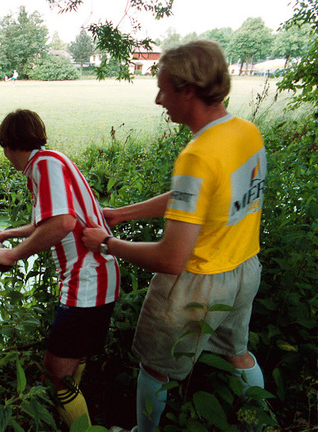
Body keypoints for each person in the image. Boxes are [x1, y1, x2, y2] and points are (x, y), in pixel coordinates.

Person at [82, 40, 267, 432]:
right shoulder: (246, 132)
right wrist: (123, 214)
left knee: (155, 367)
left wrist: (104, 243)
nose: (157, 99)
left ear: (188, 90)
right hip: (244, 271)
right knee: (238, 354)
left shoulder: (197, 156)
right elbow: (200, 197)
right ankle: (263, 424)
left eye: (163, 88)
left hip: (195, 287)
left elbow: (170, 260)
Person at [0, 109, 121, 428]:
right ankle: (80, 417)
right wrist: (8, 234)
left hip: (85, 281)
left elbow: (63, 223)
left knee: (55, 371)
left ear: (9, 144)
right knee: (73, 361)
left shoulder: (42, 166)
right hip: (100, 277)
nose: (6, 156)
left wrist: (12, 255)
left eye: (4, 148)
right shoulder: (52, 160)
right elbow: (48, 220)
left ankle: (84, 429)